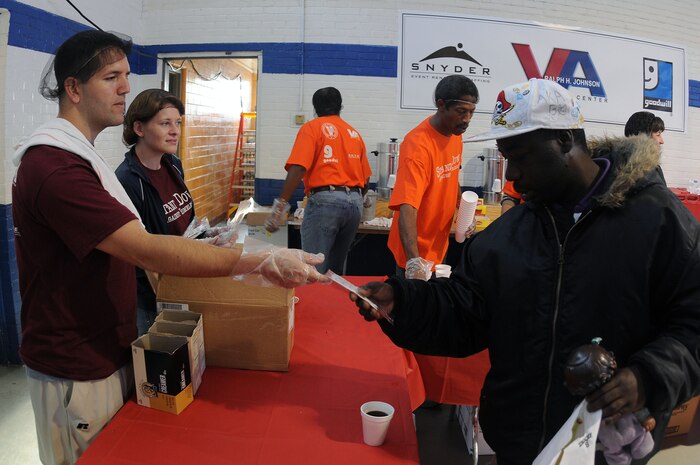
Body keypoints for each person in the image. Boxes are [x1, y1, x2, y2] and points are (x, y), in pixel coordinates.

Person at [12, 30, 327, 465]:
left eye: (126, 75)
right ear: (73, 88)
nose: (126, 87)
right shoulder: (56, 168)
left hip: (106, 347)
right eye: (111, 77)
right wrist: (259, 260)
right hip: (75, 362)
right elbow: (149, 251)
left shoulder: (81, 159)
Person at [350, 78, 700, 465]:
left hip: (606, 445)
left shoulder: (659, 220)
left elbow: (693, 323)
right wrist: (403, 301)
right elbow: (465, 311)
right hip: (518, 441)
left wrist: (648, 377)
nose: (513, 174)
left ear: (565, 140)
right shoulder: (508, 235)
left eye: (520, 156)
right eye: (505, 157)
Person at [264, 87, 372, 274]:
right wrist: (351, 201)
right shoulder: (354, 134)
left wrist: (279, 208)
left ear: (315, 109)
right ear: (341, 107)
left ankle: (314, 300)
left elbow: (298, 168)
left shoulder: (312, 128)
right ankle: (333, 302)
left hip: (326, 201)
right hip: (354, 204)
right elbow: (366, 179)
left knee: (313, 266)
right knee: (335, 271)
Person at [116, 89, 193, 335]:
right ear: (139, 128)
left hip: (182, 276)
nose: (175, 131)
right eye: (165, 123)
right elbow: (138, 250)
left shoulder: (173, 165)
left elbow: (184, 222)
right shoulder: (128, 180)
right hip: (151, 295)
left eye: (178, 123)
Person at [388, 75, 479, 280]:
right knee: (412, 309)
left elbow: (451, 174)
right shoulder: (418, 145)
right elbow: (407, 207)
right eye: (461, 112)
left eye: (471, 112)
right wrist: (414, 263)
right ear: (441, 105)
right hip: (415, 249)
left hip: (439, 244)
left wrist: (465, 212)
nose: (466, 119)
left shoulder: (455, 136)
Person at [624, 111, 666, 184]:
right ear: (644, 137)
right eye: (658, 135)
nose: (662, 141)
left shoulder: (615, 162)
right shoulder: (648, 170)